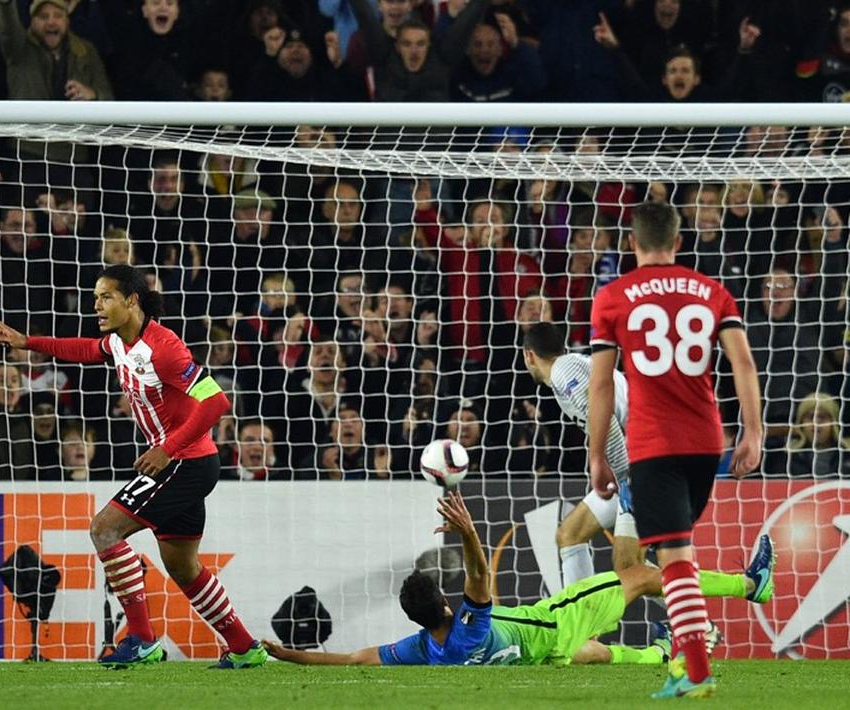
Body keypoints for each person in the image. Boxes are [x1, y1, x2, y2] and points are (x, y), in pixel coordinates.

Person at [0, 264, 266, 669]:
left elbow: (217, 402)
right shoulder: (118, 342)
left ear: (131, 300)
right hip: (180, 463)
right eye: (95, 297)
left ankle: (142, 639)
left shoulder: (164, 348)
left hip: (183, 463)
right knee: (184, 569)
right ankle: (244, 647)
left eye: (105, 297)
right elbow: (83, 349)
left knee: (105, 528)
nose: (96, 305)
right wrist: (27, 342)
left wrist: (167, 449)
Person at [264, 491, 774, 668]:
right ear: (445, 603)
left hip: (541, 651)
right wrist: (466, 530)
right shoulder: (469, 626)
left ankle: (660, 654)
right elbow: (481, 574)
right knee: (639, 575)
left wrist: (287, 653)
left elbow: (354, 657)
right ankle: (751, 586)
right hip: (556, 621)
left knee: (592, 655)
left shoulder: (425, 651)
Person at [587, 201, 764, 698]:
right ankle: (688, 662)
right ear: (679, 243)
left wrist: (597, 453)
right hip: (707, 442)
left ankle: (696, 668)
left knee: (675, 557)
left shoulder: (613, 297)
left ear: (632, 243)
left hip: (654, 443)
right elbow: (743, 363)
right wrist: (753, 432)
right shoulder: (712, 291)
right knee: (675, 553)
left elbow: (601, 387)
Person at [522, 322, 641, 586]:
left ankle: (702, 622)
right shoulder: (570, 369)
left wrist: (624, 482)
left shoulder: (564, 372)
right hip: (632, 466)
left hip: (640, 467)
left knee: (629, 567)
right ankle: (586, 625)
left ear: (529, 355)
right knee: (570, 534)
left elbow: (606, 420)